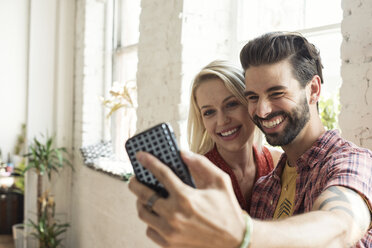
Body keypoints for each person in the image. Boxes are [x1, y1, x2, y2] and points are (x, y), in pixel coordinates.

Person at [128, 32, 372, 248]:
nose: (263, 110)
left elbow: (340, 227)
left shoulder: (353, 162)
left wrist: (240, 233)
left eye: (277, 93)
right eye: (253, 97)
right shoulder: (265, 188)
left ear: (314, 90)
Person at [188, 60, 281, 212]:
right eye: (209, 112)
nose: (222, 120)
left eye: (231, 104)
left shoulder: (279, 164)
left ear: (251, 103)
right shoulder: (196, 178)